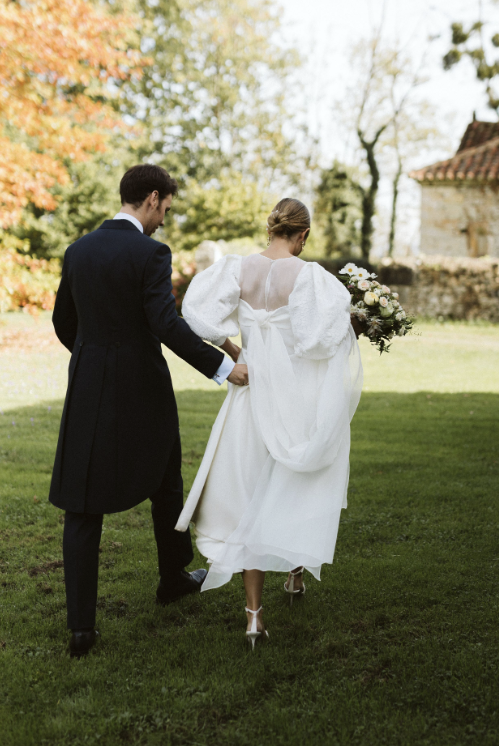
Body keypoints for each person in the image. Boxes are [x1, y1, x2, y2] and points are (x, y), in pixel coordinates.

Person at [49, 164, 248, 658]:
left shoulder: (79, 251)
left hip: (89, 388)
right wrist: (224, 367)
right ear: (152, 199)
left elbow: (62, 322)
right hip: (144, 389)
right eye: (166, 208)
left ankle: (82, 629)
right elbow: (166, 324)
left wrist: (96, 358)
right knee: (165, 478)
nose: (164, 219)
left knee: (83, 499)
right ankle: (173, 577)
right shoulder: (151, 252)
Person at [176, 198, 363, 648]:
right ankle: (296, 575)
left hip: (248, 399)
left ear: (272, 229)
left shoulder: (237, 269)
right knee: (293, 482)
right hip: (291, 398)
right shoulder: (309, 277)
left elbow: (194, 314)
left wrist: (233, 348)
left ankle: (254, 617)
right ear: (301, 235)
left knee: (248, 496)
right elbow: (317, 343)